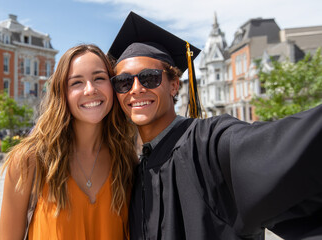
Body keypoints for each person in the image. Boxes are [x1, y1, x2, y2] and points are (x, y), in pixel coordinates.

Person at [108, 12, 322, 240]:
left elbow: (294, 145)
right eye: (123, 82)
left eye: (149, 77)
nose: (136, 88)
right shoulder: (135, 172)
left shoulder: (208, 145)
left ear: (174, 86)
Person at [0, 44, 137, 240]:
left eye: (99, 78)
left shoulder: (126, 159)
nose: (90, 90)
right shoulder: (30, 160)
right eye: (76, 83)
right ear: (61, 93)